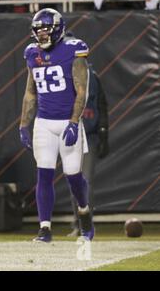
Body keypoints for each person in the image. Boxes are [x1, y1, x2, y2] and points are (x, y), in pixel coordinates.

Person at [19, 8, 94, 243]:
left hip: (67, 121)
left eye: (46, 29)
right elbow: (30, 92)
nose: (41, 35)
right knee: (44, 174)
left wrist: (73, 122)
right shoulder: (32, 53)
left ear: (58, 28)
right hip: (43, 122)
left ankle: (84, 213)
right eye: (38, 31)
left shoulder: (73, 50)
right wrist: (23, 124)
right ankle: (45, 229)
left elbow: (82, 91)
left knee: (73, 176)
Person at [68, 64, 109, 236]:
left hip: (89, 134)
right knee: (75, 182)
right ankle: (79, 223)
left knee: (85, 181)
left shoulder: (93, 76)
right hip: (71, 134)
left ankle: (85, 224)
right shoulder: (62, 74)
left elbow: (101, 105)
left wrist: (103, 132)